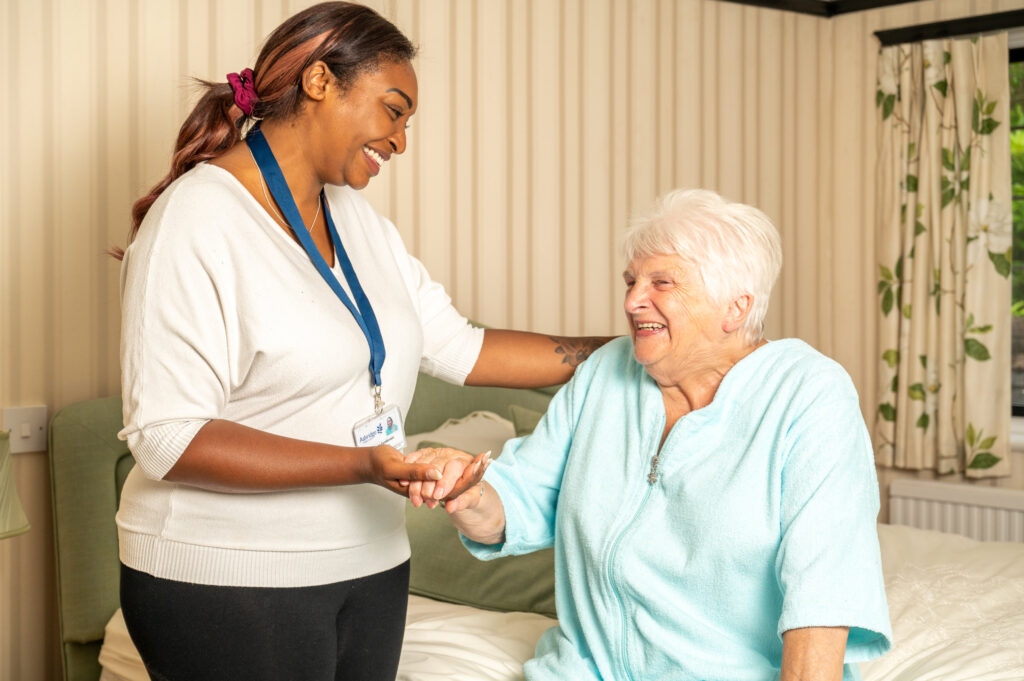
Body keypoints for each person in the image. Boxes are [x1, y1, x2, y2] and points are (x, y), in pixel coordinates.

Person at [114, 4, 610, 681]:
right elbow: (169, 437)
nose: (400, 141)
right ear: (320, 81)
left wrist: (628, 347)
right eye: (393, 110)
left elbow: (461, 347)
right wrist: (364, 464)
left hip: (369, 565)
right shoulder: (197, 220)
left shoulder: (357, 220)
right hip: (230, 582)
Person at [416, 189, 893, 681]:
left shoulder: (808, 393)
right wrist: (470, 494)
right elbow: (521, 499)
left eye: (661, 282)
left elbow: (823, 588)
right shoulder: (605, 373)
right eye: (631, 280)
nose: (631, 300)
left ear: (735, 308)